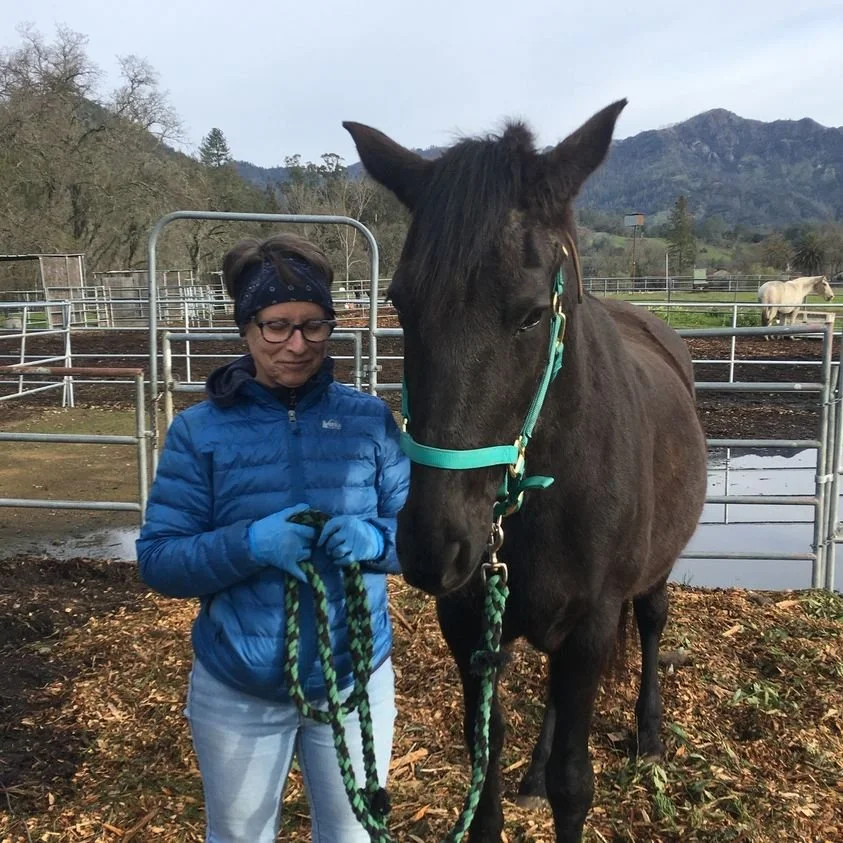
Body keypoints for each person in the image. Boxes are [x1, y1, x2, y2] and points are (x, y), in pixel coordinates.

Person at [136, 233, 410, 843]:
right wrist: (248, 545)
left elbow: (419, 538)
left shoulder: (369, 421)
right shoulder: (199, 432)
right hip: (239, 688)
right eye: (277, 326)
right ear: (245, 329)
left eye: (314, 327)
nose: (297, 345)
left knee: (353, 836)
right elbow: (158, 559)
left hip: (354, 680)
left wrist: (374, 539)